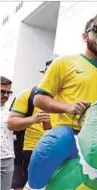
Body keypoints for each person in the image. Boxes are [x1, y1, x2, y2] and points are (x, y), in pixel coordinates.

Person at [26, 13, 97, 189]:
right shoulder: (63, 63)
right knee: (49, 148)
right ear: (85, 36)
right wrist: (68, 107)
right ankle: (32, 186)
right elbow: (39, 99)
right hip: (71, 135)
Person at [7, 60, 55, 190]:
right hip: (30, 151)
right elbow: (11, 123)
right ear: (44, 74)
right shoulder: (29, 95)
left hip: (58, 153)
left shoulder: (68, 99)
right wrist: (33, 119)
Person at [1, 77, 14, 190]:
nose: (5, 95)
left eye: (8, 92)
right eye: (2, 92)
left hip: (7, 158)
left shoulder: (12, 111)